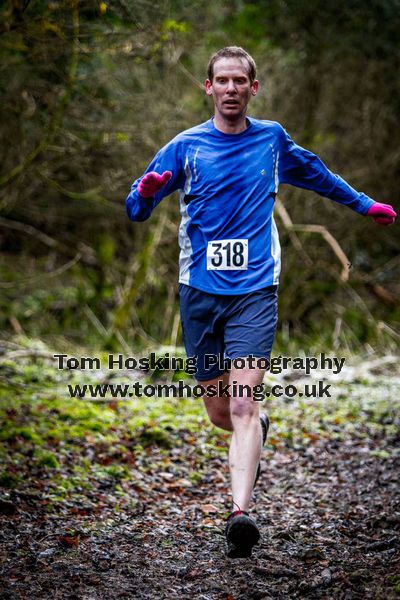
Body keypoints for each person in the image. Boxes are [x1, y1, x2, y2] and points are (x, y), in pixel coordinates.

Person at [125, 46, 396, 558]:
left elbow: (318, 174)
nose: (230, 89)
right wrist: (148, 190)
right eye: (221, 80)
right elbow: (136, 209)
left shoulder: (271, 140)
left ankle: (240, 514)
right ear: (208, 88)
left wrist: (365, 204)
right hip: (200, 293)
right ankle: (256, 430)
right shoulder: (185, 147)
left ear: (254, 88)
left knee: (244, 402)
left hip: (255, 290)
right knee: (220, 411)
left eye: (239, 81)